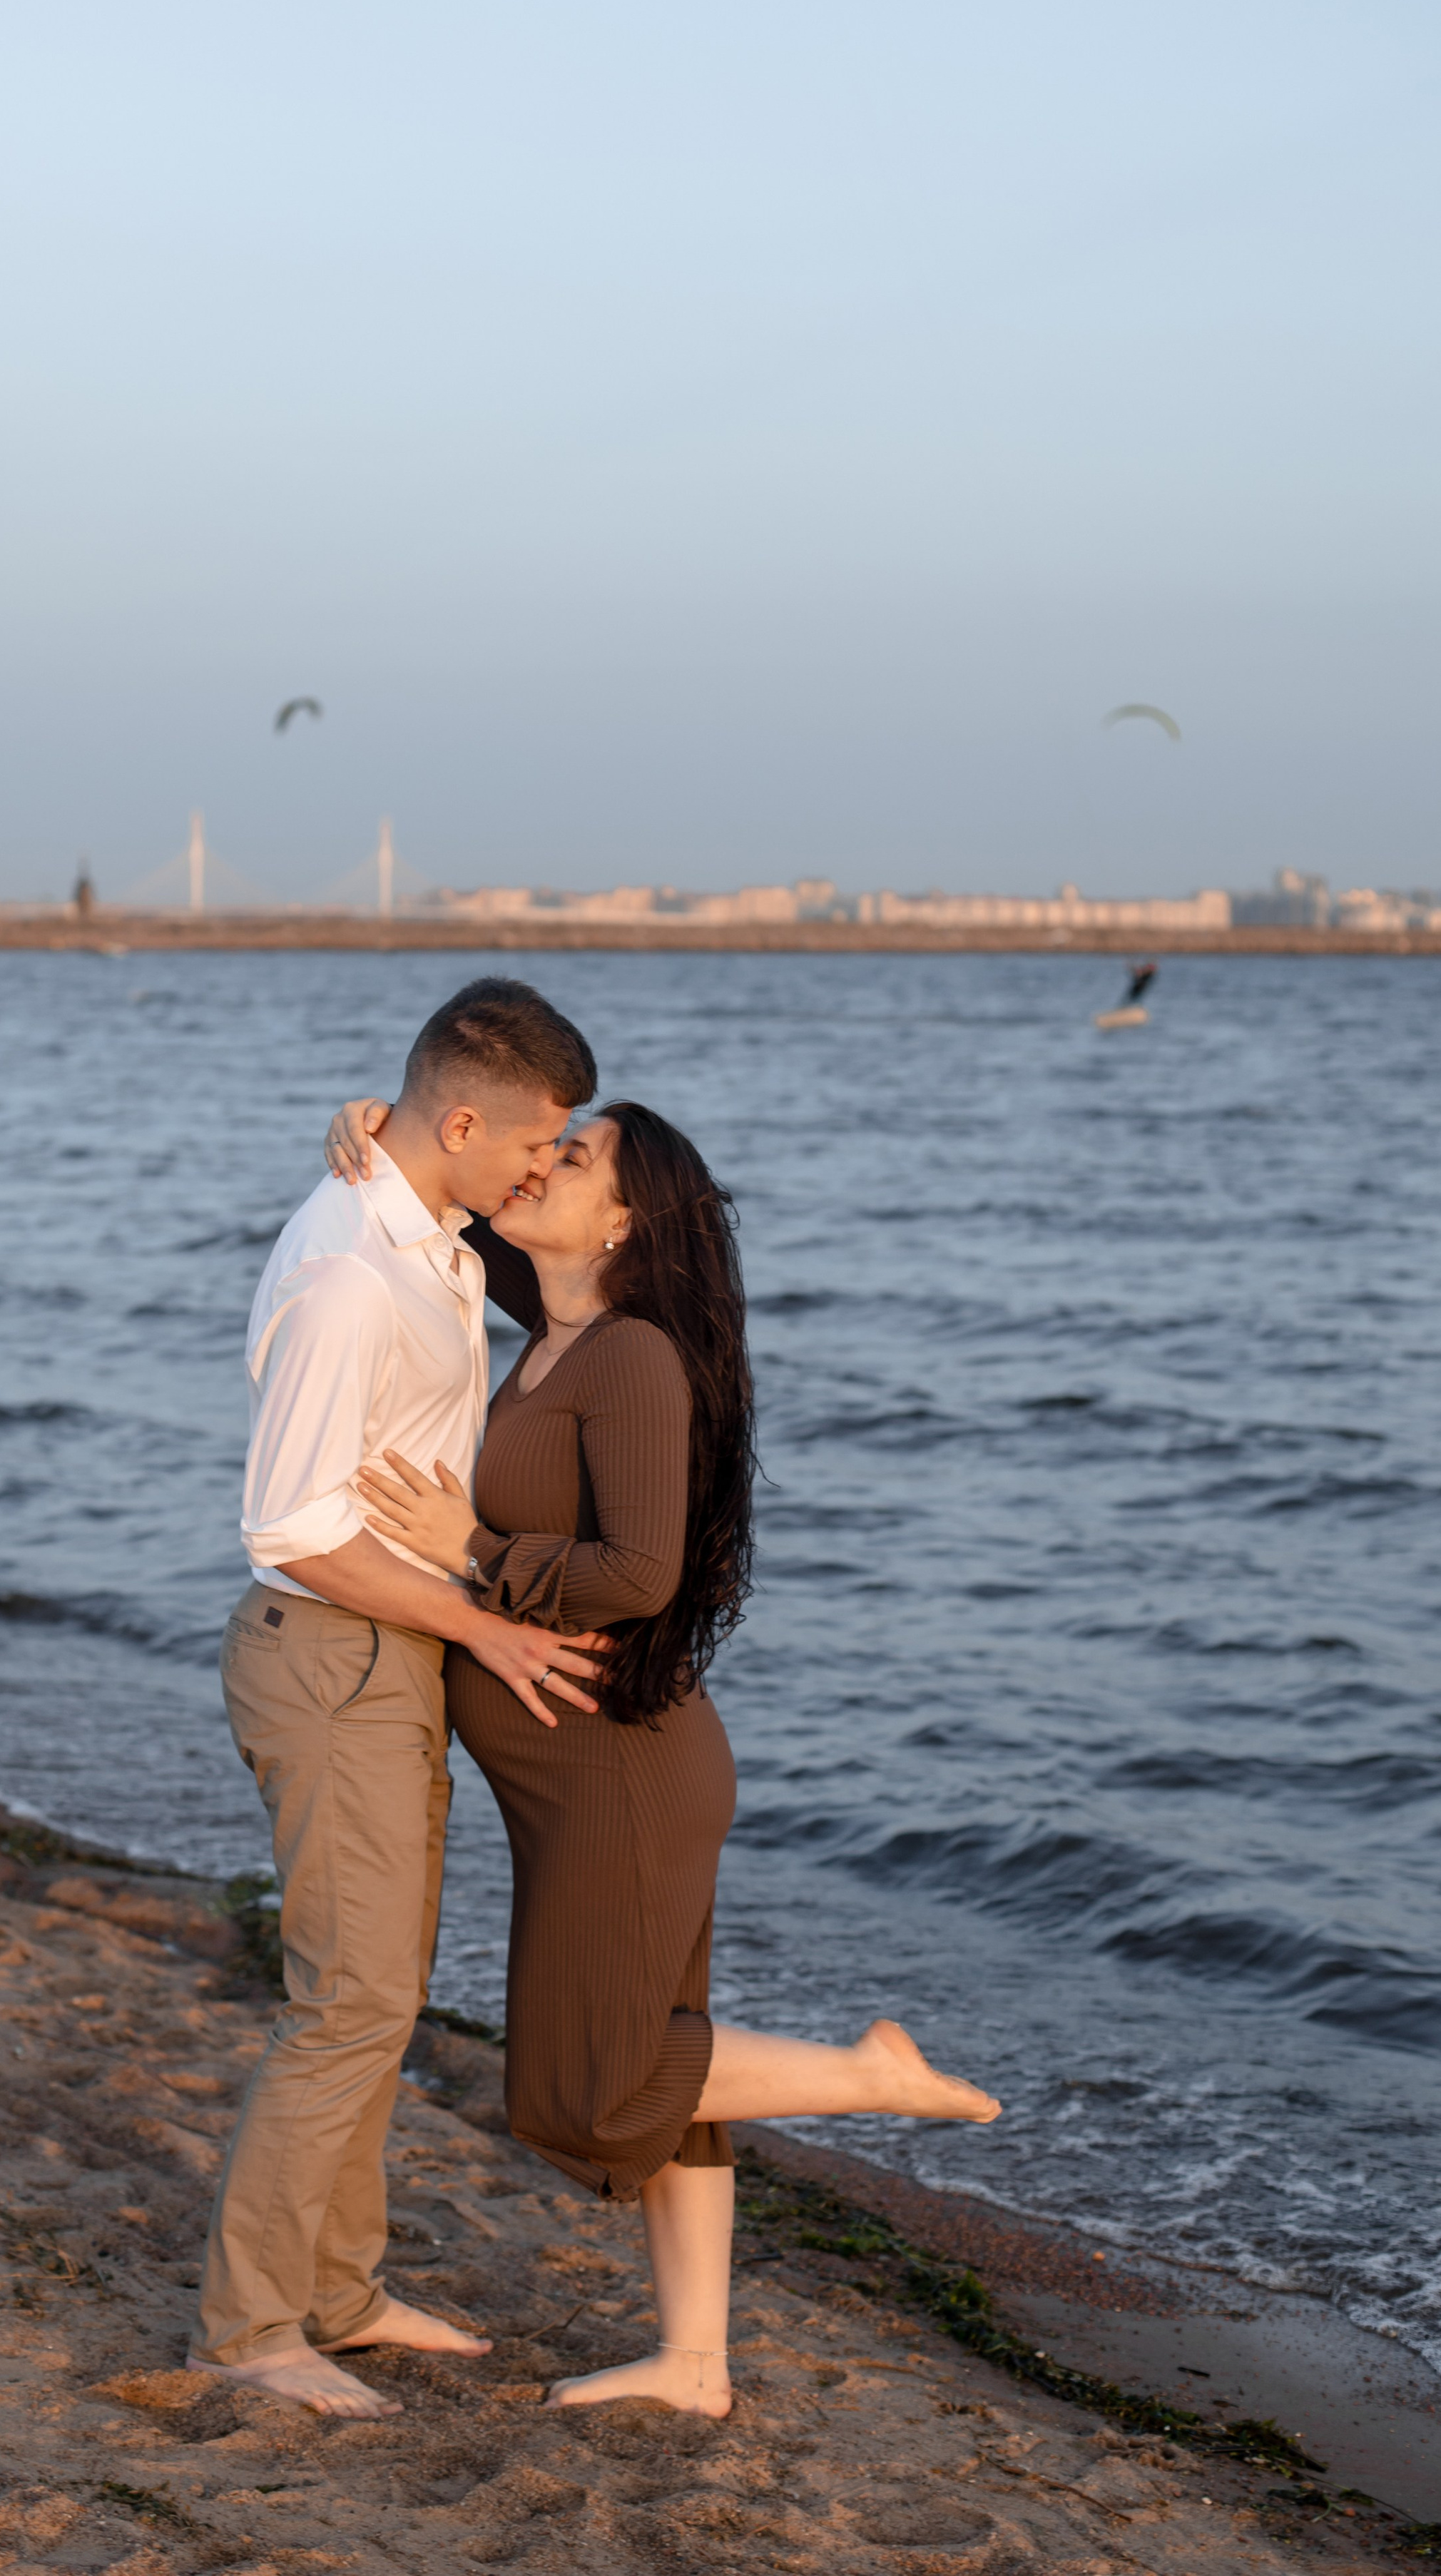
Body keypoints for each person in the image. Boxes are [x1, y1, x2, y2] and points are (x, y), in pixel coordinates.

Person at [326, 1093, 1000, 2417]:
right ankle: (695, 2361)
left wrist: (474, 1548)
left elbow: (638, 1574)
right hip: (590, 1772)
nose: (541, 1160)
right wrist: (382, 1138)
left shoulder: (628, 1356)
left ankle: (872, 2076)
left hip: (621, 1773)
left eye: (572, 1156)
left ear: (625, 1220)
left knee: (588, 2086)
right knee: (668, 2057)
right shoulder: (558, 1334)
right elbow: (446, 1214)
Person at [189, 977, 616, 2420]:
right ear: (462, 1120)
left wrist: (365, 1133)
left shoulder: (419, 1225)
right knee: (348, 2001)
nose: (542, 1167)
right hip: (331, 1654)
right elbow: (292, 1527)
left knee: (382, 1996)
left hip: (386, 1657)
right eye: (534, 1141)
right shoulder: (349, 1278)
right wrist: (480, 1628)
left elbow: (446, 1182)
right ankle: (251, 2331)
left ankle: (340, 2291)